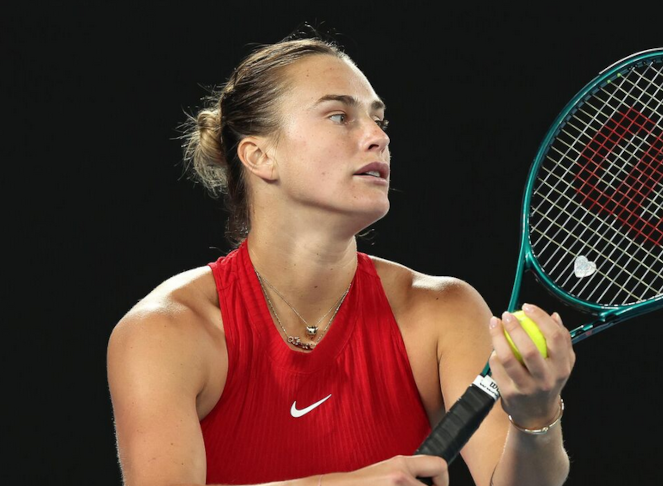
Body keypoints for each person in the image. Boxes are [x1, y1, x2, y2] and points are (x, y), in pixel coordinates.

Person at [107, 30, 575, 486]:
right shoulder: (166, 331)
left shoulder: (443, 311)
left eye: (379, 120)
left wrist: (537, 420)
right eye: (339, 116)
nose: (377, 137)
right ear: (259, 156)